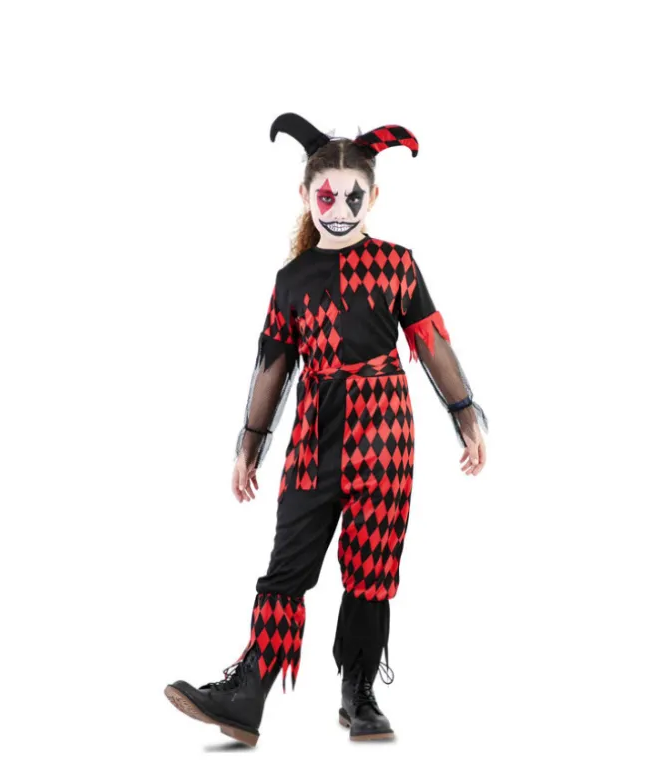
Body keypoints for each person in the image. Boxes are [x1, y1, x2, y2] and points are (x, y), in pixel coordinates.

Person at [164, 112, 489, 747]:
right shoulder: (293, 280)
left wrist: (466, 417)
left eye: (353, 197)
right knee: (288, 563)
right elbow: (273, 364)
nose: (339, 209)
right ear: (306, 195)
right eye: (326, 197)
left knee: (371, 565)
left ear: (374, 196)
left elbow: (431, 341)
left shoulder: (396, 265)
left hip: (384, 434)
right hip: (316, 437)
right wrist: (249, 446)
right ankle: (249, 693)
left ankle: (358, 691)